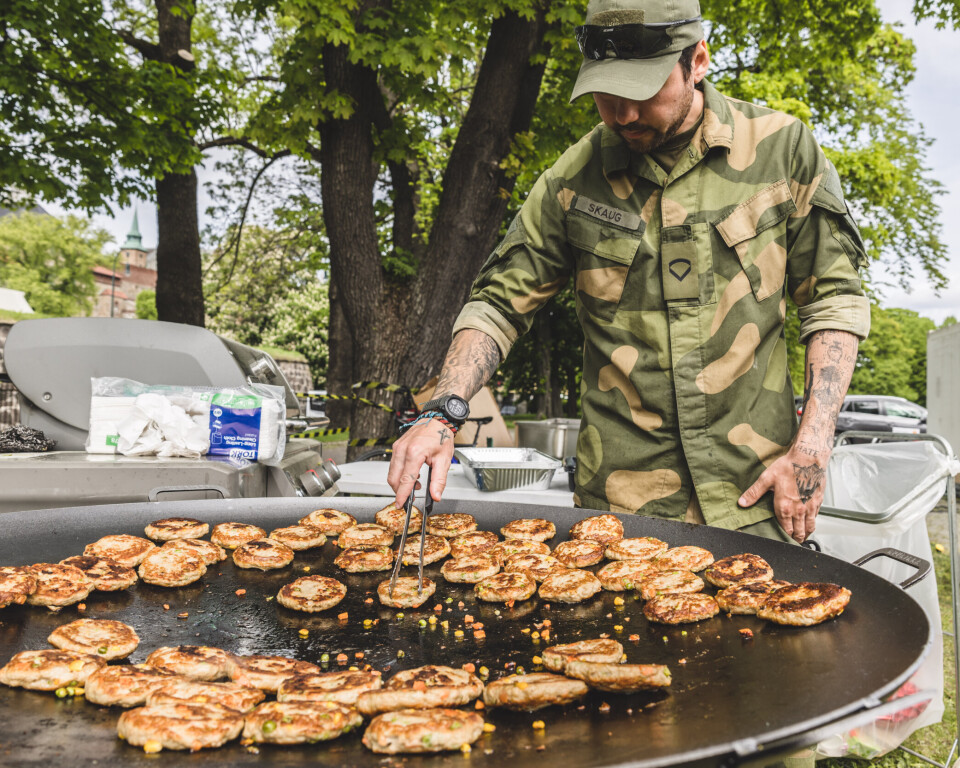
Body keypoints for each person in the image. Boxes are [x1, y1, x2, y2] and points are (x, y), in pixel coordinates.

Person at [388, 0, 869, 546]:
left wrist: (812, 444)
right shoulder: (572, 179)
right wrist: (443, 414)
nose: (622, 114)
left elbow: (834, 300)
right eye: (605, 93)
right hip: (618, 514)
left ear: (698, 61)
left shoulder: (783, 152)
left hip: (755, 497)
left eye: (642, 91)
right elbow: (499, 303)